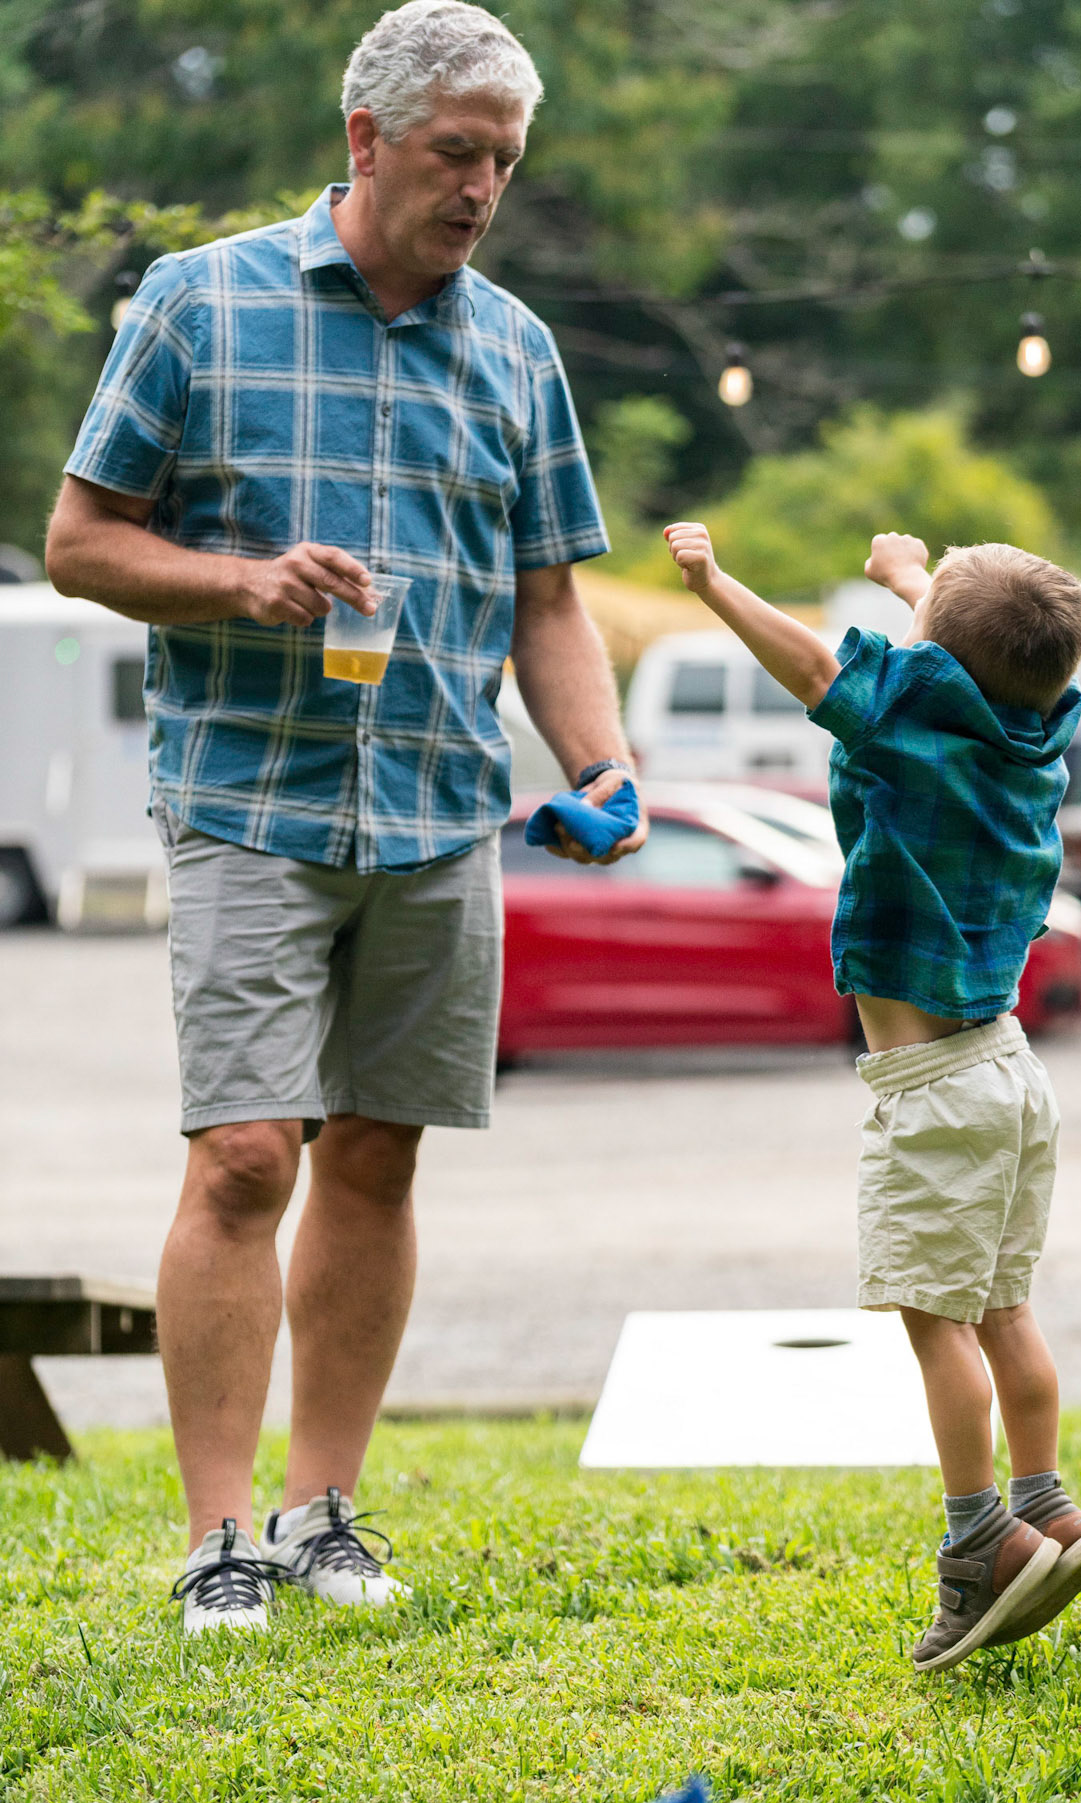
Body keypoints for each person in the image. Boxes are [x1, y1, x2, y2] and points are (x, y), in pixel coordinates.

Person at [45, 0, 646, 1632]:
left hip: (440, 808)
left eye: (504, 162)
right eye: (457, 153)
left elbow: (549, 599)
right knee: (247, 1154)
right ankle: (216, 1537)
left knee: (377, 1155)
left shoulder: (515, 348)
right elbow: (81, 543)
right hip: (250, 797)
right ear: (366, 138)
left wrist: (598, 761)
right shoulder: (198, 303)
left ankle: (322, 1513)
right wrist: (243, 583)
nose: (482, 189)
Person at [664, 518, 1081, 1671]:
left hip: (935, 1090)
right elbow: (957, 652)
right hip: (1011, 1071)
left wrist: (715, 582)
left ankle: (982, 1543)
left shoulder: (904, 717)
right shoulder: (1034, 731)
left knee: (935, 1319)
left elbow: (817, 664)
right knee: (1005, 1306)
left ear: (930, 654)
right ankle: (1051, 1505)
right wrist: (915, 577)